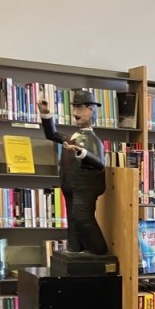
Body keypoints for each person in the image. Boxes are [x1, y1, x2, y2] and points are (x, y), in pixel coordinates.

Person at [38, 89, 109, 255]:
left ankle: (98, 249)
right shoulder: (73, 136)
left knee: (82, 217)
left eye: (80, 108)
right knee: (72, 219)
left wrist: (82, 153)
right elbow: (52, 134)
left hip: (85, 186)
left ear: (91, 110)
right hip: (70, 185)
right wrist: (46, 113)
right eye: (75, 108)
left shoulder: (94, 140)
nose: (76, 113)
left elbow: (99, 164)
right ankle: (75, 248)